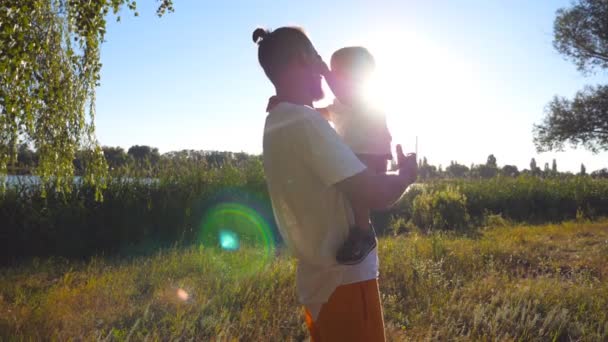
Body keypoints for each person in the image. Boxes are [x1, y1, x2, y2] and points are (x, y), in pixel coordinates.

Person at [253, 26, 417, 342]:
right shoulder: (303, 122)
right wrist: (405, 176)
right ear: (305, 58)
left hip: (320, 283)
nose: (325, 70)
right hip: (345, 280)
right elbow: (372, 192)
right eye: (318, 56)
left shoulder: (280, 120)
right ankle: (362, 230)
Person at [318, 46, 392, 265]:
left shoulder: (362, 95)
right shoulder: (340, 103)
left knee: (357, 191)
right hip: (358, 153)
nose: (333, 76)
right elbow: (320, 113)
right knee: (352, 193)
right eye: (332, 71)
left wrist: (324, 72)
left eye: (337, 71)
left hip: (371, 152)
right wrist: (290, 105)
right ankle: (360, 229)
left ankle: (363, 231)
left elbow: (345, 94)